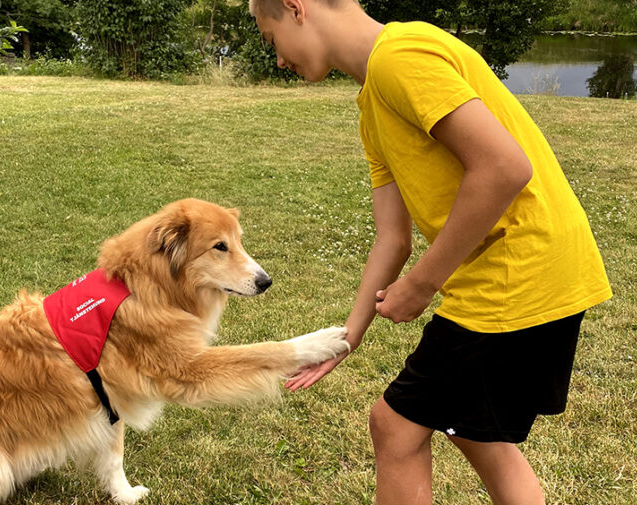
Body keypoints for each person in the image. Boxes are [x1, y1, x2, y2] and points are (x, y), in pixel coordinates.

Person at [248, 1, 613, 504]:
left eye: (270, 39)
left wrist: (421, 285)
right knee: (471, 429)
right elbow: (391, 239)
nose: (278, 59)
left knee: (395, 426)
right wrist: (345, 338)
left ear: (295, 8)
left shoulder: (401, 57)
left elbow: (505, 168)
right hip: (534, 271)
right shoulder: (373, 100)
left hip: (519, 273)